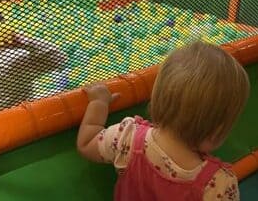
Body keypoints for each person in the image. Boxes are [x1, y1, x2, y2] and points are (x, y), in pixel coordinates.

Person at [77, 41, 249, 200]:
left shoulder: (127, 138)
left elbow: (86, 143)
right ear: (217, 131)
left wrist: (98, 103)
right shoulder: (218, 184)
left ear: (157, 97)